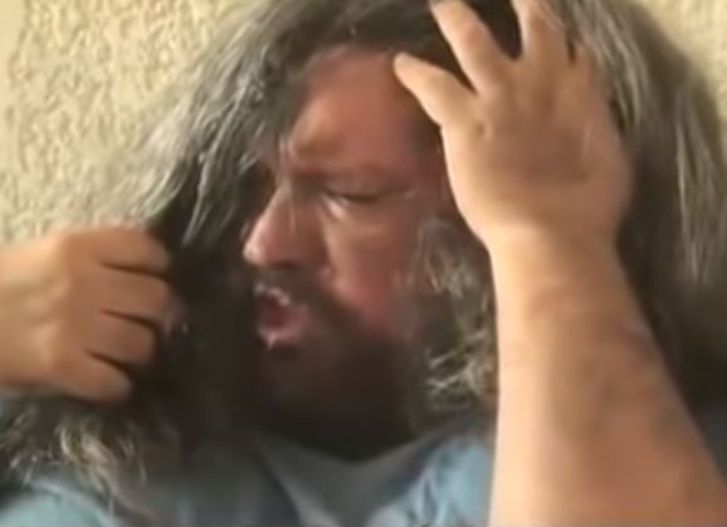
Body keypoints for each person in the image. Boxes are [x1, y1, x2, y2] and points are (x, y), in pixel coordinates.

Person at [1, 0, 726, 525]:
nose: (263, 244)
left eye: (350, 193)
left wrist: (551, 239)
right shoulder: (119, 449)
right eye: (244, 189)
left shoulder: (670, 450)